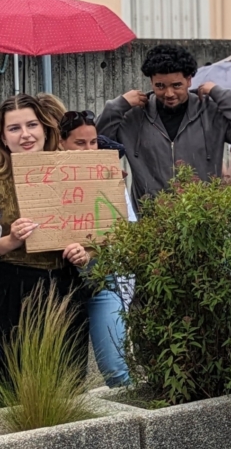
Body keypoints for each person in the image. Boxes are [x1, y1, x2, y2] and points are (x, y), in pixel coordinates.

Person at [97, 45, 231, 212]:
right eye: (160, 86)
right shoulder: (133, 115)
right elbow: (97, 147)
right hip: (150, 224)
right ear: (151, 82)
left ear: (189, 80)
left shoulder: (210, 111)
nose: (169, 93)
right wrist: (116, 107)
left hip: (205, 219)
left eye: (176, 85)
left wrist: (222, 95)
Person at [0, 95, 92, 378]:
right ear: (3, 137)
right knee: (14, 376)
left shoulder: (74, 171)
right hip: (13, 285)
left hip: (67, 283)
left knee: (68, 374)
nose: (25, 135)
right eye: (14, 128)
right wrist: (12, 240)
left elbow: (97, 232)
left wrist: (86, 253)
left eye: (32, 125)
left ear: (45, 129)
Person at [58, 109, 134, 387]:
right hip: (59, 285)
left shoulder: (109, 175)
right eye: (80, 143)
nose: (89, 149)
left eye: (93, 143)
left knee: (117, 369)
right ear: (61, 142)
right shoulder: (44, 178)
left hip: (101, 279)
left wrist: (89, 253)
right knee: (67, 377)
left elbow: (124, 232)